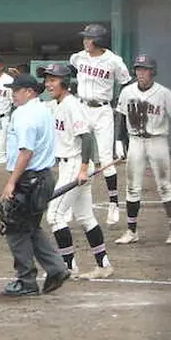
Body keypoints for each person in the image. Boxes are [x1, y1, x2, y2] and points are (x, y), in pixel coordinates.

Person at [40, 63, 115, 280]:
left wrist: (83, 169)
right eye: (47, 79)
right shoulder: (58, 104)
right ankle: (104, 265)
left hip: (75, 164)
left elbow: (87, 137)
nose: (48, 83)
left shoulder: (72, 105)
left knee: (55, 215)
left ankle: (67, 266)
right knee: (85, 216)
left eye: (53, 79)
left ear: (65, 82)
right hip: (69, 164)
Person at [0, 72, 70, 297]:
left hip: (29, 179)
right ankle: (57, 268)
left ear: (29, 92)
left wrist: (11, 183)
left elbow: (26, 152)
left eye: (16, 91)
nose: (13, 96)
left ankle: (26, 280)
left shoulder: (25, 114)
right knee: (31, 227)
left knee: (15, 228)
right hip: (44, 177)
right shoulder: (43, 110)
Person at [112, 55, 171, 246]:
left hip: (157, 141)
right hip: (136, 141)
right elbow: (121, 117)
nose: (141, 73)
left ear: (152, 72)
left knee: (164, 186)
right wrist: (119, 141)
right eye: (138, 69)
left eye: (145, 69)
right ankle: (131, 231)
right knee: (132, 188)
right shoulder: (127, 92)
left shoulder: (163, 93)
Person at [69, 24, 131, 225]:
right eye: (85, 38)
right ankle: (72, 204)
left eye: (90, 38)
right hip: (82, 107)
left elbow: (126, 83)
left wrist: (118, 105)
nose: (86, 41)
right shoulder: (78, 58)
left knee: (105, 158)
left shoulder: (114, 61)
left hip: (103, 110)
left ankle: (113, 203)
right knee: (78, 155)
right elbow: (71, 74)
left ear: (100, 40)